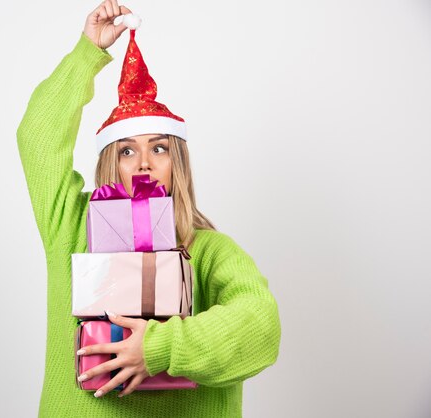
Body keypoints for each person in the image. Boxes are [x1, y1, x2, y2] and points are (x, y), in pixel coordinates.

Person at [16, 1, 281, 416]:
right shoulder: (72, 227)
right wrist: (89, 52)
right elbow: (38, 138)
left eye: (159, 148)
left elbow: (261, 327)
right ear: (111, 162)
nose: (143, 163)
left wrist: (158, 348)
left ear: (178, 162)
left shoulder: (211, 252)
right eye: (126, 150)